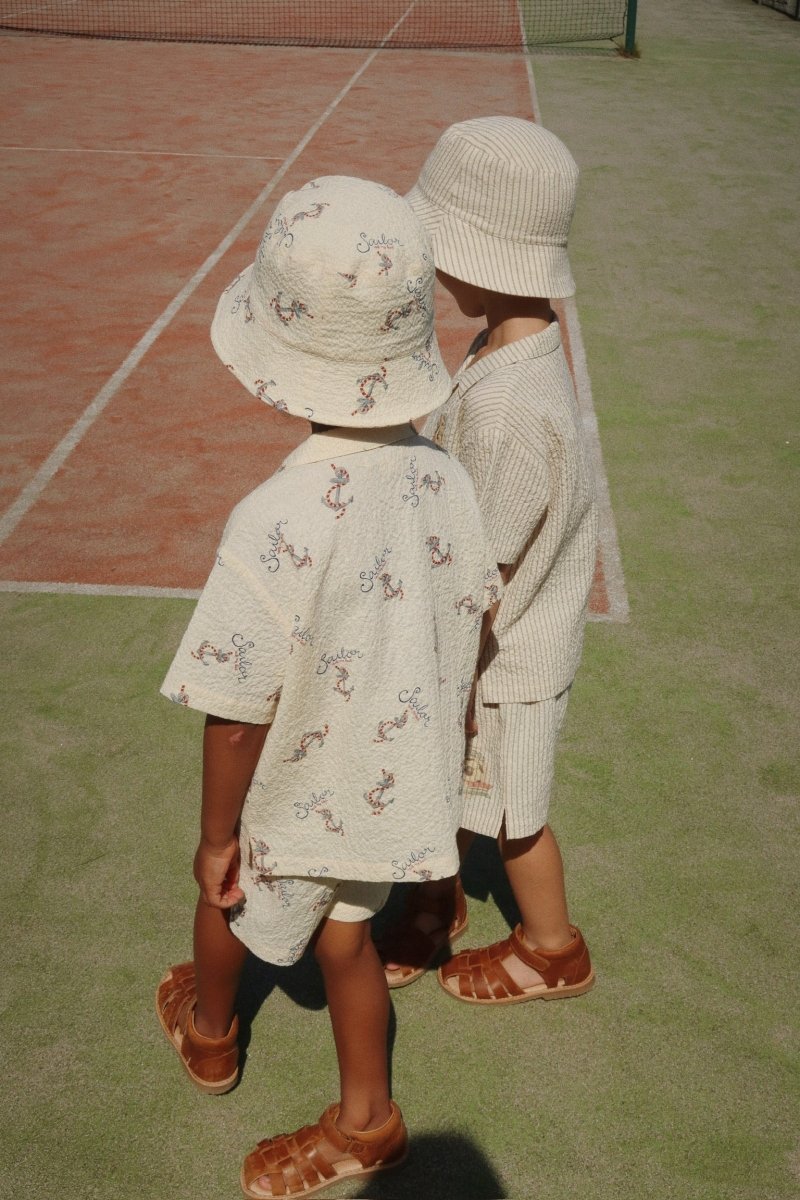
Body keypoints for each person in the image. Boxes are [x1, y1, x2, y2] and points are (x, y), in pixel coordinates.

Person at [155, 175, 499, 1197]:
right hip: (390, 775)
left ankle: (211, 1033)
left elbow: (235, 708)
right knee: (345, 936)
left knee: (225, 889)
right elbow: (468, 612)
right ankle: (367, 1119)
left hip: (297, 785)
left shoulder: (274, 514)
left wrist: (220, 834)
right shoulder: (444, 477)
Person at [378, 116, 598, 1005]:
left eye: (443, 251)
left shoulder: (512, 404)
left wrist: (443, 654)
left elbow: (488, 561)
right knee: (460, 776)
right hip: (501, 634)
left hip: (509, 651)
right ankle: (439, 899)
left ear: (487, 258)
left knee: (515, 810)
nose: (434, 268)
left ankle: (552, 948)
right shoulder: (517, 341)